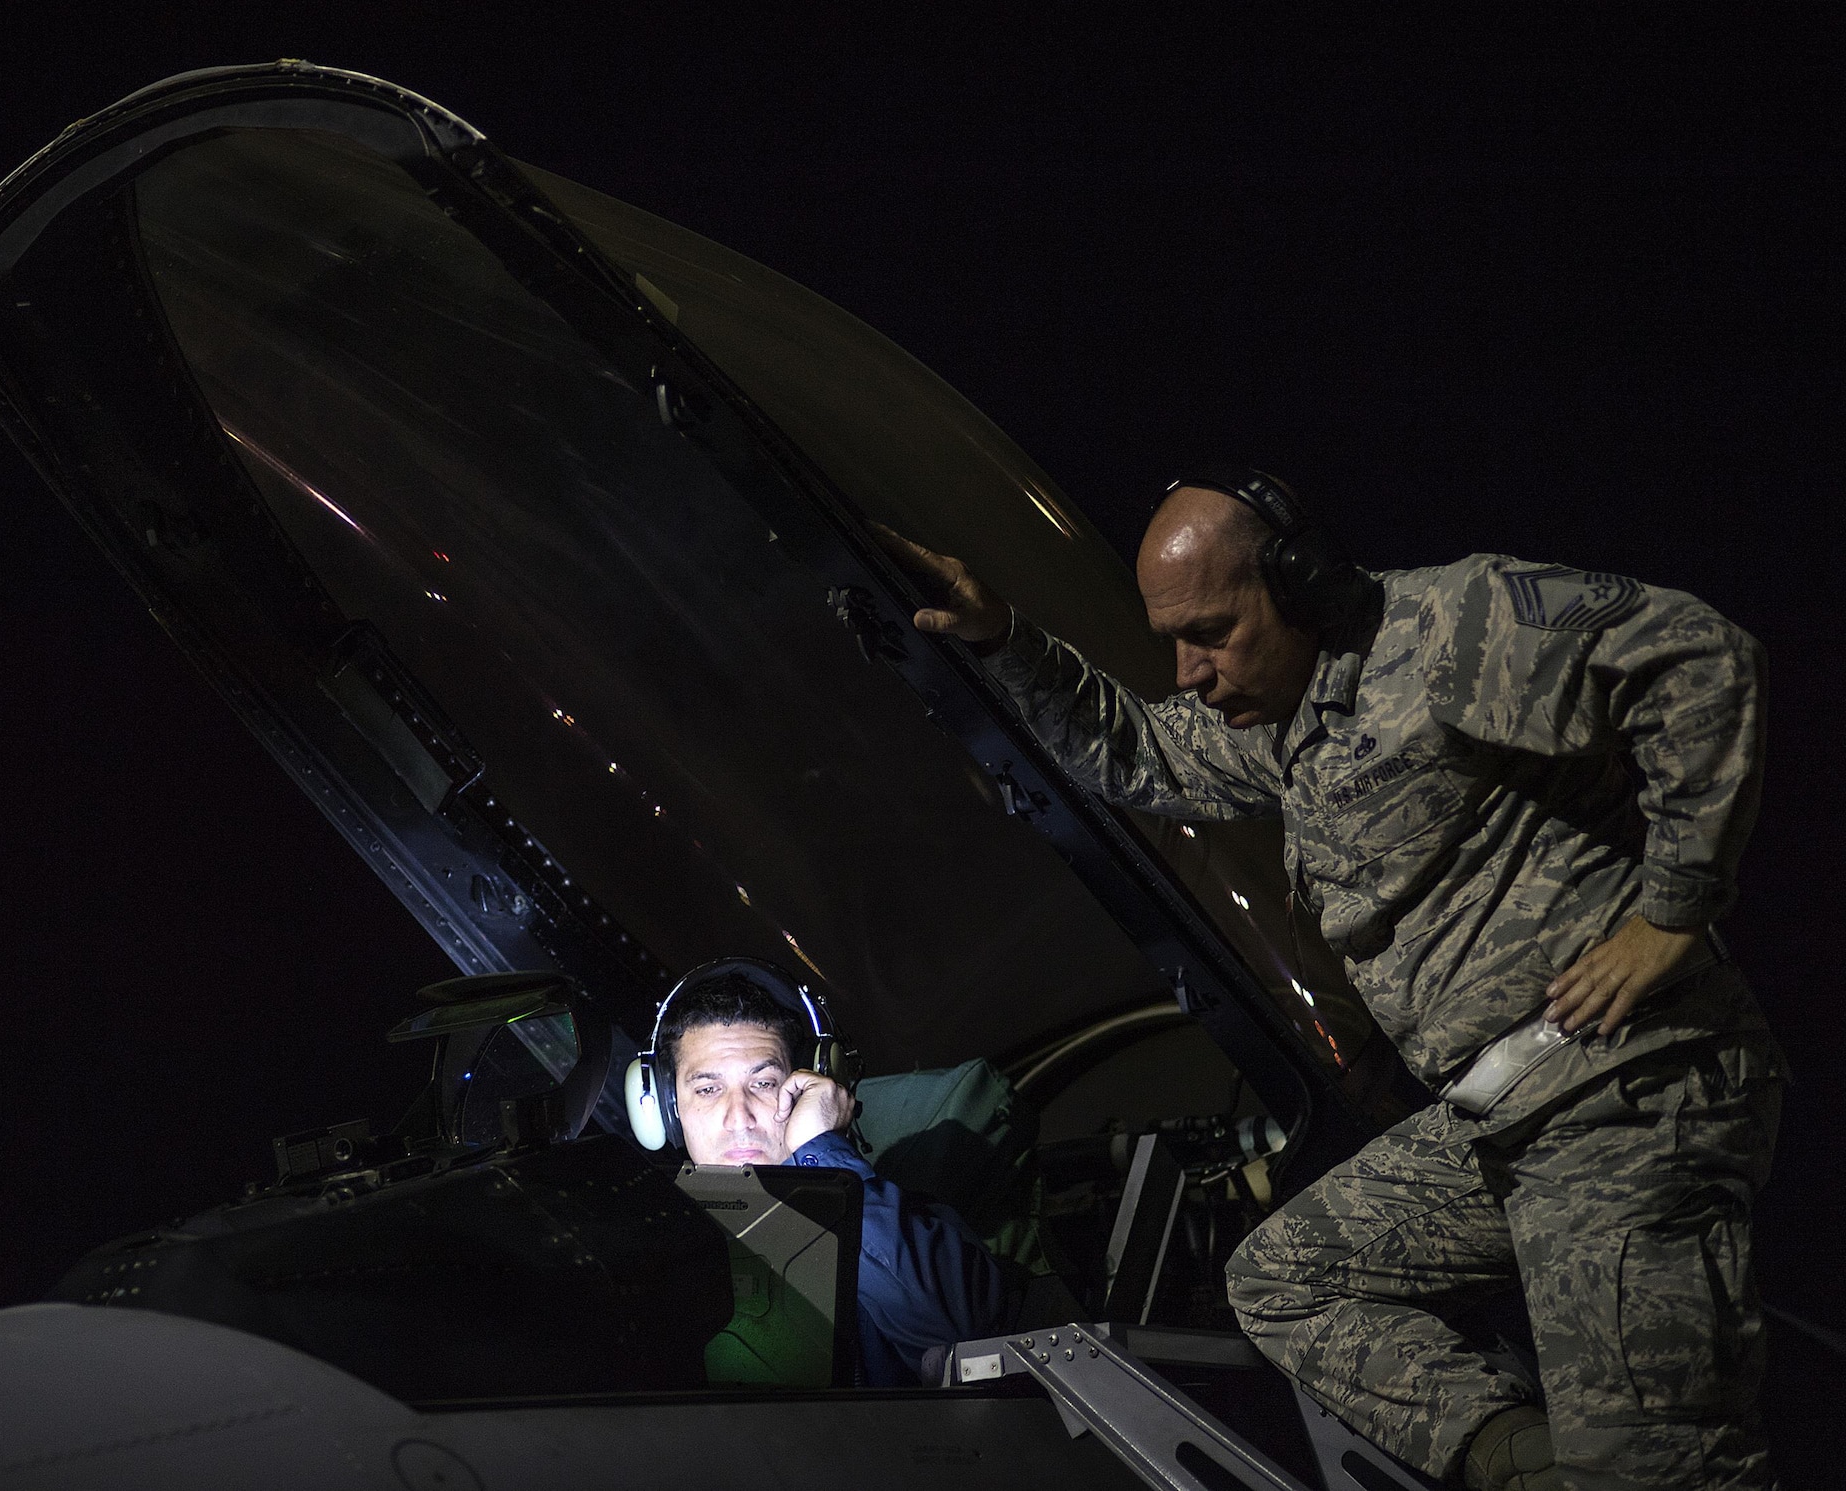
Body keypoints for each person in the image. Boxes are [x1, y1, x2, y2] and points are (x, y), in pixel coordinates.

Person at [876, 471, 1785, 1491]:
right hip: (1503, 1122)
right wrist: (1002, 638)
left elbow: (1699, 661)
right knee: (1285, 1279)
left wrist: (1672, 911)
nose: (1189, 671)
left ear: (1300, 587)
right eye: (1173, 640)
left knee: (1657, 1471)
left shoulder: (1447, 626)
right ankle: (1528, 1469)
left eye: (1211, 631)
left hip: (1619, 1095)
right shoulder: (1294, 725)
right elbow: (1133, 748)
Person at [656, 964, 1016, 1385]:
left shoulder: (902, 1229)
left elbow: (963, 1340)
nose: (740, 1118)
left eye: (765, 1083)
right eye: (708, 1089)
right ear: (666, 1108)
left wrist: (821, 1151)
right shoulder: (641, 1241)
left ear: (806, 1086)